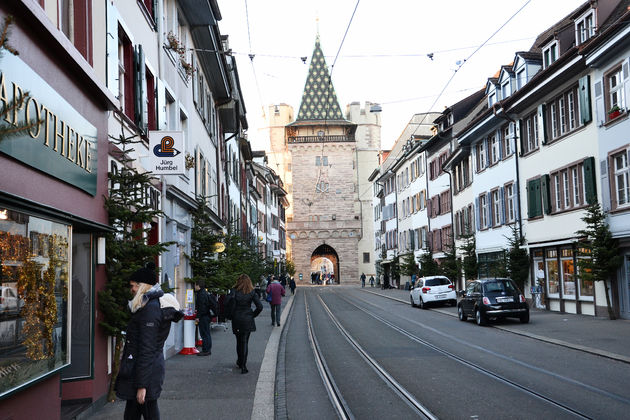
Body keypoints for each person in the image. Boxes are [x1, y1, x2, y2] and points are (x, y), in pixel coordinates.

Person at [115, 262, 183, 420]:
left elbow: (147, 348)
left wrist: (142, 386)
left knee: (147, 412)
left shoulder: (150, 310)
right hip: (142, 372)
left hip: (145, 373)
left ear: (142, 286)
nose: (131, 289)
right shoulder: (146, 306)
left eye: (133, 286)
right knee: (135, 413)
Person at [227, 274, 263, 374]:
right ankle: (243, 365)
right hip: (247, 318)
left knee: (239, 341)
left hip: (237, 318)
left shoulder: (234, 291)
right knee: (245, 341)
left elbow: (229, 303)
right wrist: (252, 315)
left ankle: (239, 361)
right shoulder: (251, 292)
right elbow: (259, 306)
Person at [194, 280, 215, 356]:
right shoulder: (204, 293)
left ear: (198, 285)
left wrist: (198, 316)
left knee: (204, 334)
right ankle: (207, 349)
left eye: (195, 285)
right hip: (207, 316)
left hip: (203, 316)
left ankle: (206, 350)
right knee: (207, 333)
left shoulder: (201, 294)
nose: (194, 286)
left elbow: (202, 307)